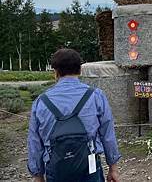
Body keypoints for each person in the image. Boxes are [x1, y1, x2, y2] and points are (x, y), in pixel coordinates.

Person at [27, 49, 121, 182]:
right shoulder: (96, 96)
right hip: (90, 168)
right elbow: (108, 134)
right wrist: (113, 168)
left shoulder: (41, 102)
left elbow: (35, 142)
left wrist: (37, 175)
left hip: (56, 170)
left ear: (56, 72)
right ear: (80, 70)